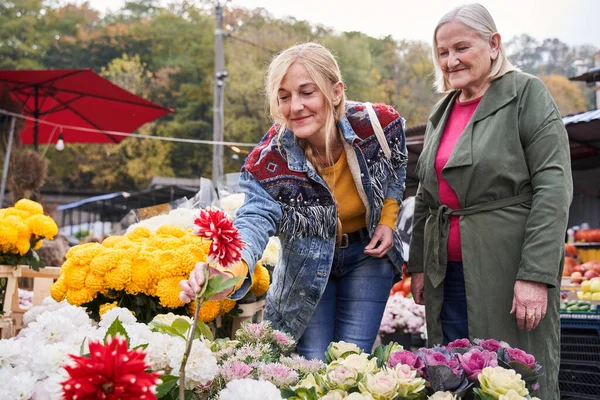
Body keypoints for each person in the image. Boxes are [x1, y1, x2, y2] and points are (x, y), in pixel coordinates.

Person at [180, 42, 408, 360]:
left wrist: (387, 218)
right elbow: (253, 220)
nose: (295, 106)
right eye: (284, 96)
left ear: (336, 91)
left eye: (307, 92)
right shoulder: (269, 160)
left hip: (367, 256)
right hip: (307, 266)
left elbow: (395, 167)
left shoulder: (378, 126)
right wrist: (223, 270)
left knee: (354, 360)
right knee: (312, 361)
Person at [408, 4, 572, 399]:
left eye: (461, 47)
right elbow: (427, 197)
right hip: (447, 275)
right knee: (453, 376)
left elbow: (553, 185)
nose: (451, 60)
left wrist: (535, 274)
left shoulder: (525, 94)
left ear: (494, 44)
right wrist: (418, 266)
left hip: (506, 270)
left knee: (511, 377)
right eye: (443, 53)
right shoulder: (441, 112)